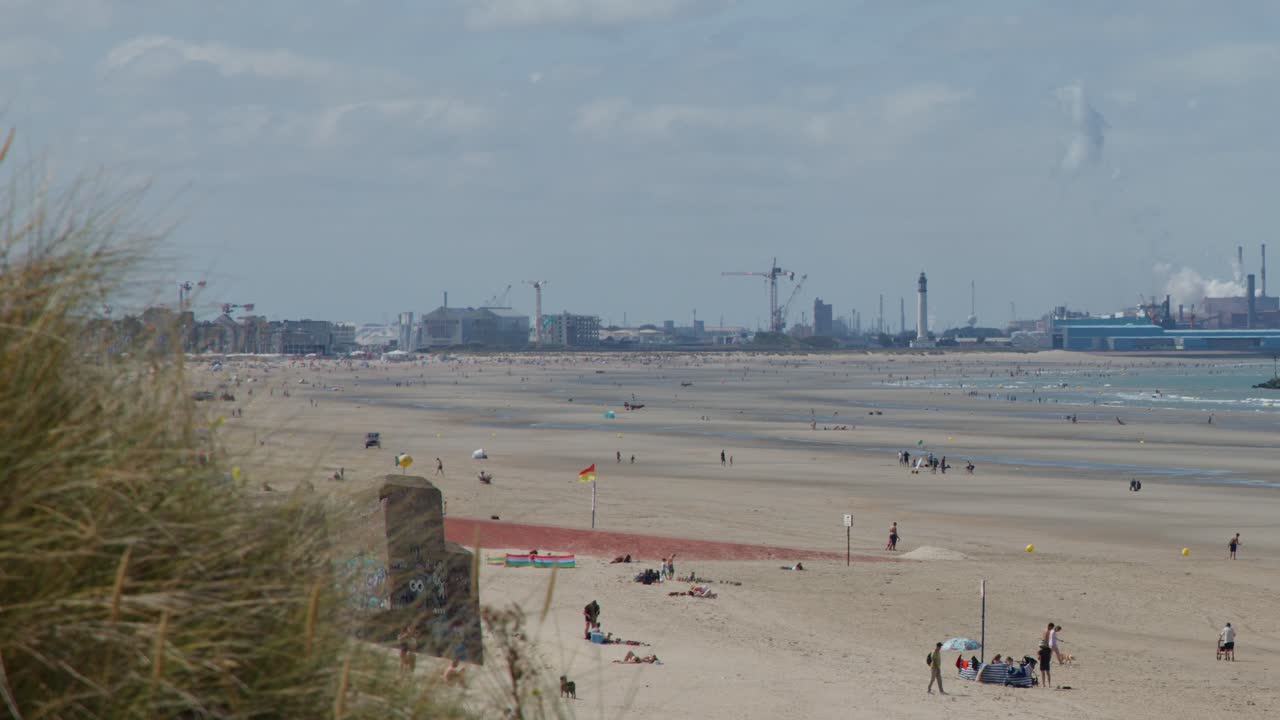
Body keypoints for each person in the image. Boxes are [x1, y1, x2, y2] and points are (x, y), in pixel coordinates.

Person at [1038, 622, 1054, 688]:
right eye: (1052, 628)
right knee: (1046, 670)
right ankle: (1048, 684)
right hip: (1046, 649)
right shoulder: (1048, 632)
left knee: (1043, 670)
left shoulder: (1045, 630)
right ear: (1050, 626)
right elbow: (1046, 641)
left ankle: (1044, 684)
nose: (1052, 629)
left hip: (1042, 648)